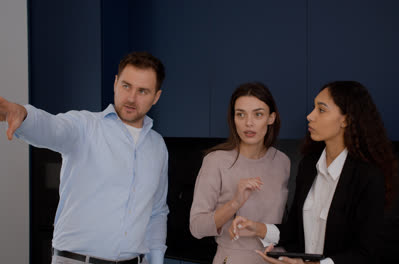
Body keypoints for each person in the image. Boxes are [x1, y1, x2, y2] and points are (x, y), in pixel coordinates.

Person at [0, 51, 169, 264]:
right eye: (126, 86)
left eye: (143, 91)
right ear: (116, 83)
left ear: (156, 96)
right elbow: (51, 128)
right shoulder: (84, 126)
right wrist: (23, 115)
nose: (131, 98)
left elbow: (157, 211)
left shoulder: (158, 147)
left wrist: (157, 260)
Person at [230, 81, 398, 264]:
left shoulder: (368, 177)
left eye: (322, 110)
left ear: (346, 119)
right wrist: (258, 228)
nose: (310, 116)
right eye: (313, 108)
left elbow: (366, 253)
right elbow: (294, 230)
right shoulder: (309, 165)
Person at [189, 82, 291, 264]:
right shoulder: (215, 161)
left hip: (275, 260)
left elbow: (286, 227)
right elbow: (196, 228)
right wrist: (235, 203)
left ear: (271, 118)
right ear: (233, 118)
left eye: (258, 114)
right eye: (240, 114)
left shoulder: (282, 162)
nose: (248, 123)